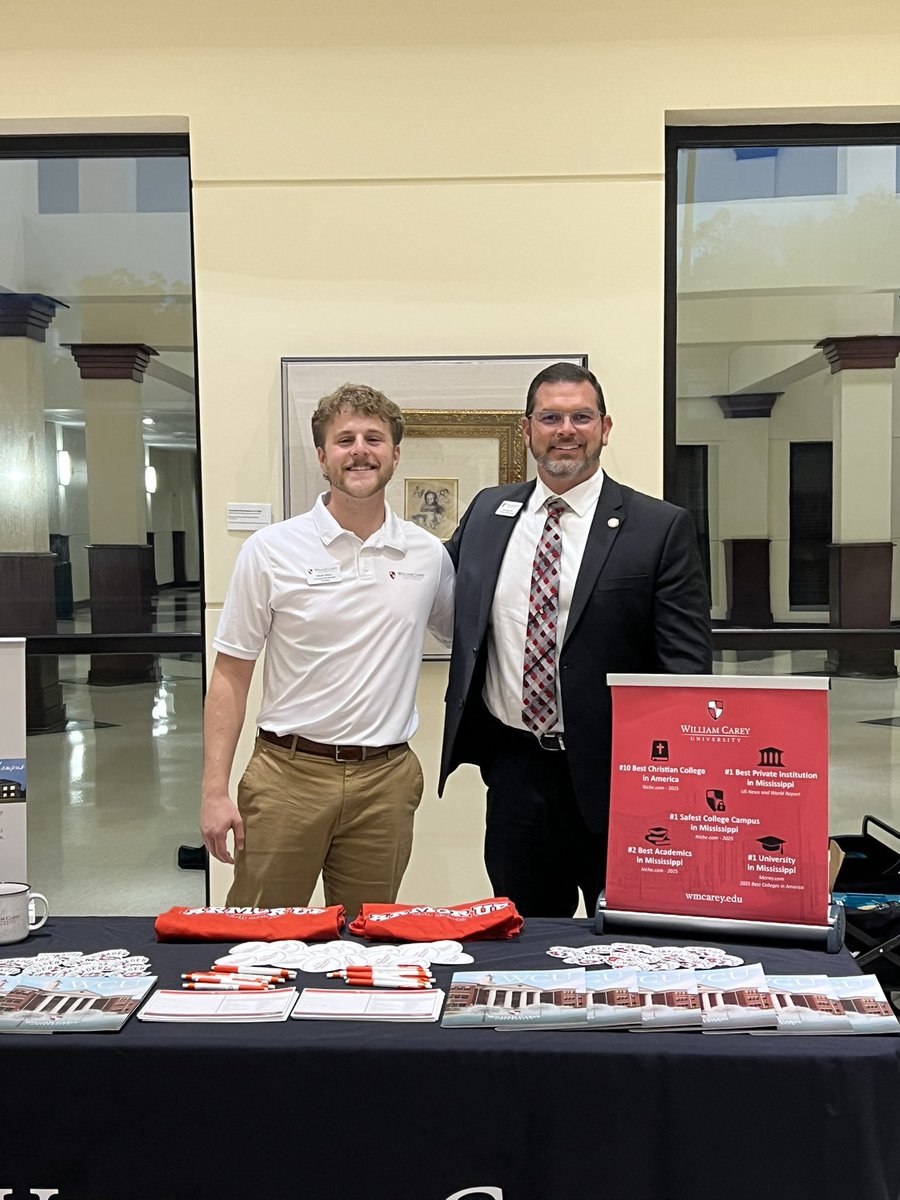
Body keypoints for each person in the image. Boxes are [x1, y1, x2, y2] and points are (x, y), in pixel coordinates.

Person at [439, 361, 711, 918]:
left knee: (632, 940)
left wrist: (673, 780)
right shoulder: (490, 511)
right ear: (528, 430)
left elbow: (685, 671)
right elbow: (427, 588)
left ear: (604, 428)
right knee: (526, 936)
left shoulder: (658, 527)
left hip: (622, 780)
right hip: (515, 772)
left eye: (581, 416)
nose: (566, 429)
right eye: (551, 416)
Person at [200, 382, 455, 919]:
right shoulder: (269, 550)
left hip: (385, 782)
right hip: (287, 775)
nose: (359, 450)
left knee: (370, 938)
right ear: (322, 456)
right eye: (344, 440)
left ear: (394, 455)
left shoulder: (428, 554)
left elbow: (470, 638)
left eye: (374, 438)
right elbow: (230, 674)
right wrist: (214, 790)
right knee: (255, 935)